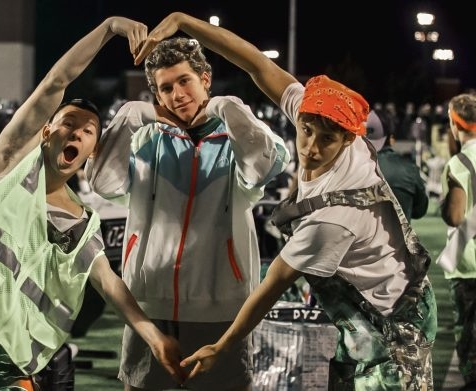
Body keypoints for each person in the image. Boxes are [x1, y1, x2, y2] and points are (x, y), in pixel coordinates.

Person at [135, 13, 438, 390]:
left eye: (325, 140)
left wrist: (223, 345)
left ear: (348, 140)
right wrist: (184, 21)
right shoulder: (319, 114)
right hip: (365, 313)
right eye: (306, 132)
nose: (310, 148)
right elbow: (254, 62)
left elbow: (275, 281)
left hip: (391, 329)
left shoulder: (334, 219)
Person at [0, 17, 185, 390]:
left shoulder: (80, 221)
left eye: (88, 131)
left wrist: (154, 338)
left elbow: (110, 284)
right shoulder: (1, 168)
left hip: (3, 352)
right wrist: (108, 28)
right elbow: (55, 83)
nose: (76, 131)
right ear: (46, 132)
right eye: (67, 123)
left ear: (92, 152)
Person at [85, 34, 291, 390]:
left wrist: (225, 107)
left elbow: (266, 164)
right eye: (165, 88)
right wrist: (135, 113)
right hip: (148, 307)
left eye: (185, 81)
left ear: (205, 79)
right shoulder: (145, 139)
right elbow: (104, 182)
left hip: (224, 310)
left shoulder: (236, 139)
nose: (177, 95)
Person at [439, 93, 476, 390]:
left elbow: (454, 216)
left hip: (468, 260)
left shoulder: (459, 162)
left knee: (469, 334)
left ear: (455, 124)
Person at [366, 108, 429, 222]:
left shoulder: (347, 168)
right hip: (397, 239)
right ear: (391, 138)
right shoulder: (409, 169)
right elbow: (420, 210)